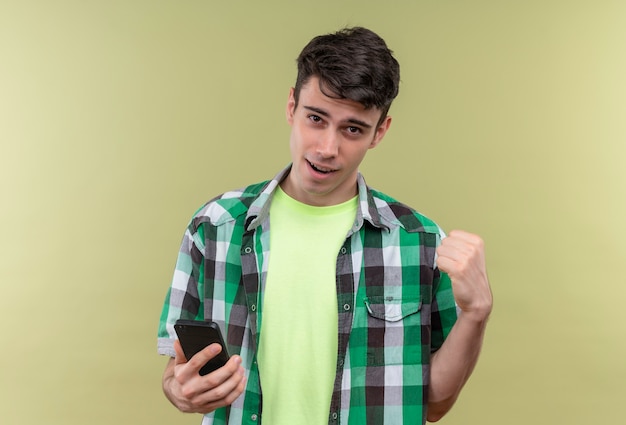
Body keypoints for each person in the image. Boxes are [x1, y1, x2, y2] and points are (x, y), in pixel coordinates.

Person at [157, 26, 492, 425]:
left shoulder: (419, 242)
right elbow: (174, 376)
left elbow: (434, 404)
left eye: (353, 129)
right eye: (316, 118)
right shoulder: (213, 228)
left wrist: (476, 314)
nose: (327, 148)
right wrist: (181, 390)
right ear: (291, 107)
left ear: (379, 132)